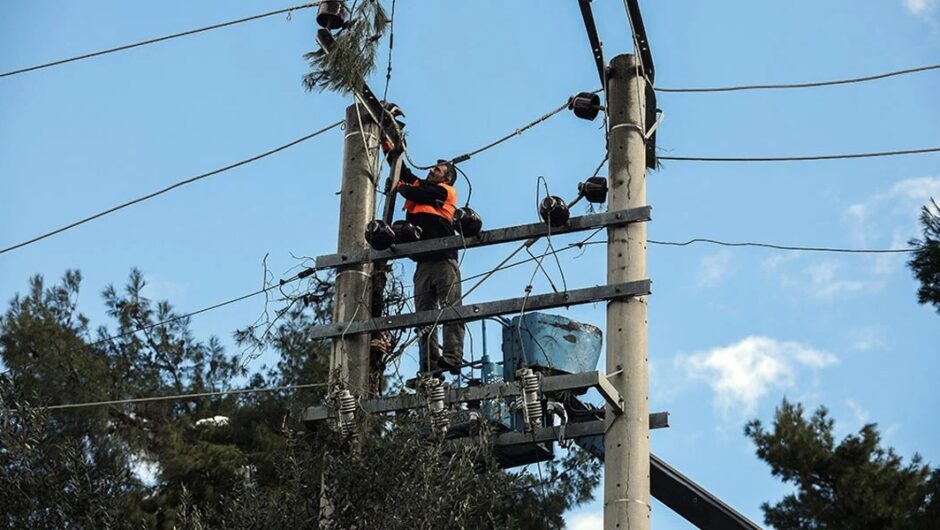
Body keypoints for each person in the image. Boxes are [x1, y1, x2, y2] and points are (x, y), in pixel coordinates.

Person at [384, 143, 466, 375]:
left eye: (437, 170)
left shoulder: (444, 191)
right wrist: (389, 145)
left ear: (447, 177)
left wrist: (400, 187)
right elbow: (403, 171)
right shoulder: (423, 184)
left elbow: (416, 192)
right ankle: (430, 366)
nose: (432, 170)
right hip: (423, 263)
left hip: (443, 258)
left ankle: (453, 356)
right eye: (432, 168)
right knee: (424, 317)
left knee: (451, 308)